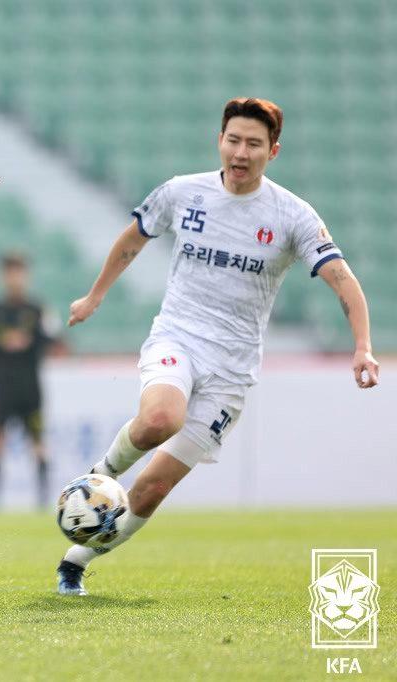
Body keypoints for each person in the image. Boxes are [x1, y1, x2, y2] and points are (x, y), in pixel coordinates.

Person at [56, 97, 380, 596]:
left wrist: (362, 346)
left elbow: (342, 279)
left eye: (254, 143)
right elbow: (131, 240)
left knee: (154, 487)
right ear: (219, 141)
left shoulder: (292, 215)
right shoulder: (183, 193)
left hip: (232, 370)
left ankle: (73, 563)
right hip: (178, 338)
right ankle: (97, 478)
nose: (241, 152)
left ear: (273, 151)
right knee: (159, 420)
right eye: (234, 140)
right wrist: (94, 296)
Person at [0, 252, 64, 510]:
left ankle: (42, 497)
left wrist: (28, 341)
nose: (14, 277)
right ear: (2, 276)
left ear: (26, 275)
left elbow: (53, 339)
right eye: (9, 272)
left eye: (18, 271)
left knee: (38, 442)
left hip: (30, 387)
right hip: (3, 386)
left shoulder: (37, 309)